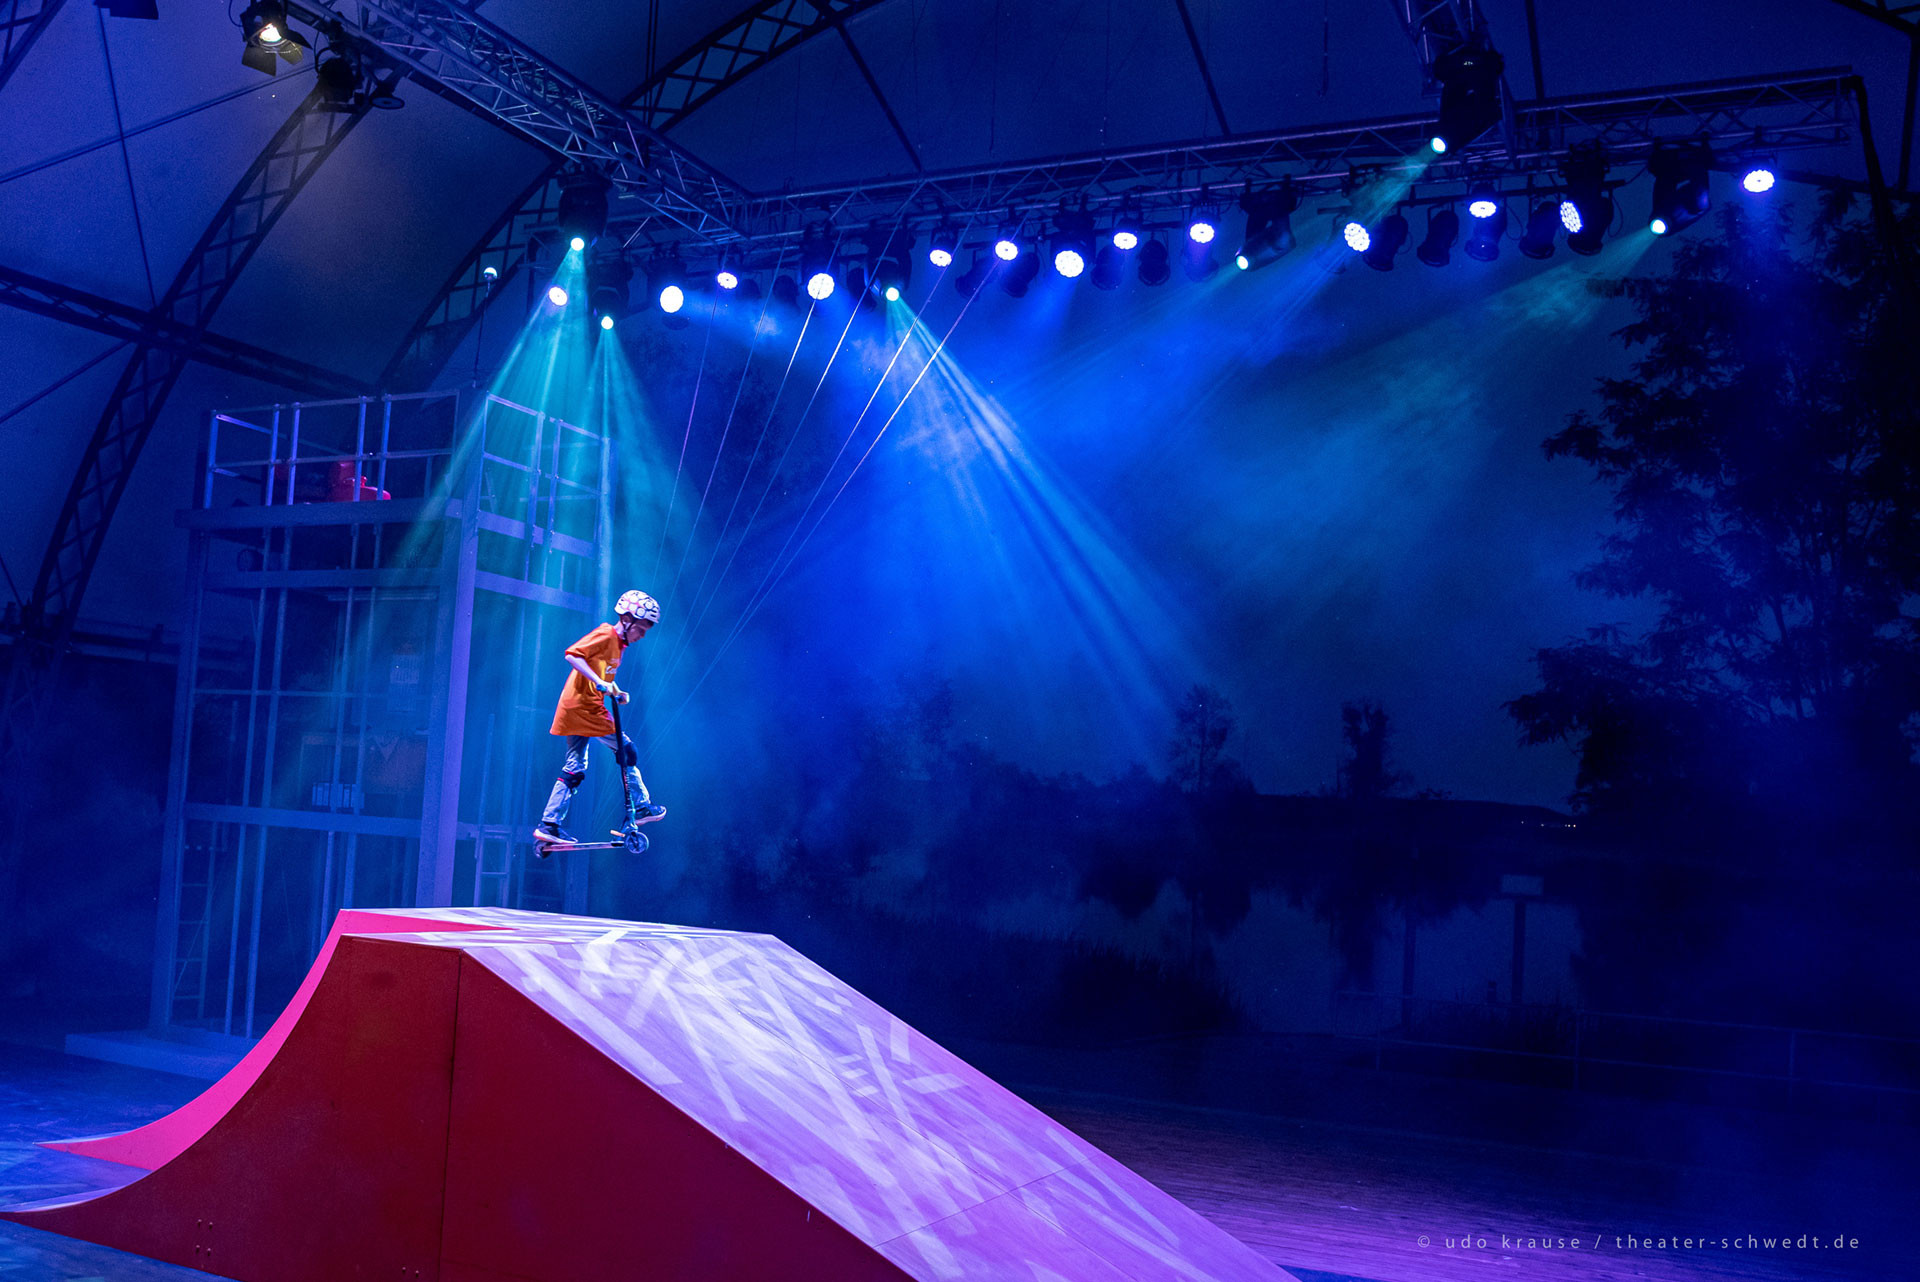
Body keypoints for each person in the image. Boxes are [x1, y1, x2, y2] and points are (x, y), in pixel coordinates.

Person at [533, 589, 666, 847]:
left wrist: (615, 690)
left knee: (575, 767)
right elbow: (573, 654)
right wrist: (600, 683)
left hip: (579, 707)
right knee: (627, 750)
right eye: (640, 629)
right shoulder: (607, 634)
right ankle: (640, 807)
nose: (642, 635)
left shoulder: (620, 646)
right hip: (584, 708)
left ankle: (549, 825)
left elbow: (602, 677)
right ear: (626, 619)